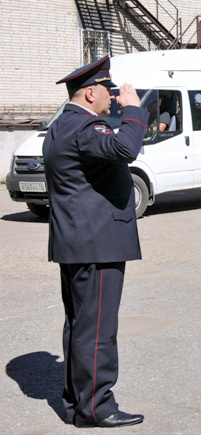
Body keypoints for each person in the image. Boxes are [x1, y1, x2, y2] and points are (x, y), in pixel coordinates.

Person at [43, 56, 147, 428]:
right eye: (107, 90)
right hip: (96, 244)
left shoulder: (61, 125)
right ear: (90, 93)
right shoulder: (86, 126)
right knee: (98, 329)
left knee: (80, 325)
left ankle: (77, 402)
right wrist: (134, 110)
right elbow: (124, 149)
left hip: (77, 241)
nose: (112, 96)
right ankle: (96, 407)